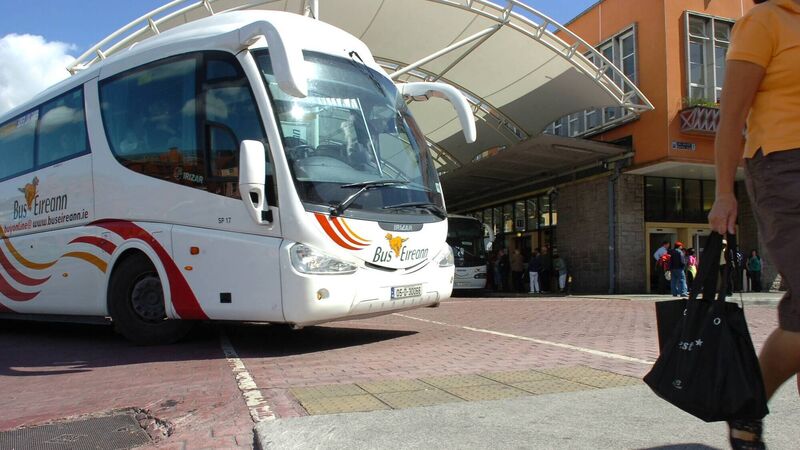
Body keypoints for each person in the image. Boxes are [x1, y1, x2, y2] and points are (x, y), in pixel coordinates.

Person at [707, 1, 800, 447]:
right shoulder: (764, 21)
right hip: (785, 169)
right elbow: (731, 118)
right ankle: (749, 400)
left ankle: (746, 404)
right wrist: (725, 191)